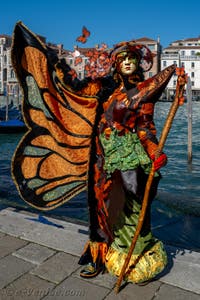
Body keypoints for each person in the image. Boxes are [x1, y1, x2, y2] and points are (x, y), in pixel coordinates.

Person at [11, 22, 176, 285]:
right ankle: (99, 255)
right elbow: (75, 88)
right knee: (101, 206)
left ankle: (134, 250)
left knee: (134, 197)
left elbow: (146, 127)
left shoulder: (142, 93)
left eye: (131, 59)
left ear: (137, 63)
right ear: (116, 64)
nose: (126, 64)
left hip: (130, 156)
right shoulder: (104, 87)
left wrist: (154, 150)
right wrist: (53, 62)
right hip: (100, 157)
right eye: (122, 60)